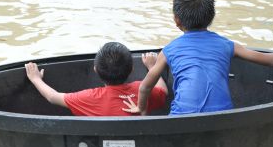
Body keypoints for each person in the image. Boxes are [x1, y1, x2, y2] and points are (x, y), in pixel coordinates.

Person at [123, 0, 273, 116]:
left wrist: (142, 109)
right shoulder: (226, 45)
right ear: (212, 16)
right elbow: (270, 59)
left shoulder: (169, 50)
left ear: (176, 20)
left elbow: (145, 87)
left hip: (180, 119)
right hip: (221, 118)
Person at [25, 42, 167, 116]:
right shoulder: (142, 90)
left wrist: (35, 78)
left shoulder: (88, 98)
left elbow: (52, 97)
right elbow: (163, 91)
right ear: (131, 69)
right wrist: (152, 67)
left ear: (95, 70)